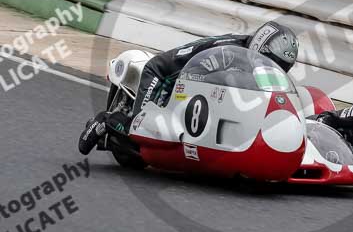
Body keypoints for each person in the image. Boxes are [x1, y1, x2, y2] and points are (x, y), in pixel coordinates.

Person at [78, 21, 299, 154]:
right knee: (141, 132)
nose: (272, 68)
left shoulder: (251, 60)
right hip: (163, 75)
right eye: (272, 62)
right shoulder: (228, 53)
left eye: (281, 67)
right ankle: (106, 121)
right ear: (259, 48)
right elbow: (197, 77)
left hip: (189, 85)